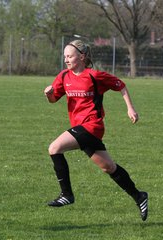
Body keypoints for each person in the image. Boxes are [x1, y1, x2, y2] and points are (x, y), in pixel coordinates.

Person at [44, 39, 148, 221]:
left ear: (81, 57)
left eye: (70, 56)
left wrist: (130, 108)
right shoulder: (63, 77)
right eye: (65, 57)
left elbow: (121, 85)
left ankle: (66, 195)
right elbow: (54, 100)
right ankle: (139, 196)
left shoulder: (94, 76)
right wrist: (49, 94)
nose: (66, 60)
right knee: (109, 167)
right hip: (79, 127)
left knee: (54, 148)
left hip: (92, 126)